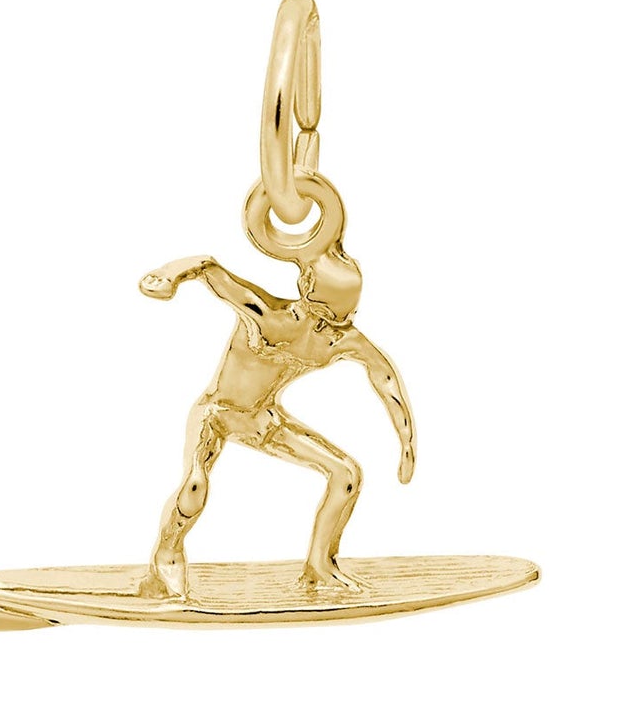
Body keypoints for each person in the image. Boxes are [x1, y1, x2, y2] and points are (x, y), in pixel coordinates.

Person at [135, 244, 415, 598]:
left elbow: (383, 374)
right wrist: (167, 275)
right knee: (195, 485)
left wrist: (406, 440)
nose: (329, 331)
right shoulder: (266, 315)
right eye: (323, 318)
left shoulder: (337, 337)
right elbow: (208, 267)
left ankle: (319, 566)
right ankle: (166, 556)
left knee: (346, 474)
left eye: (342, 320)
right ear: (307, 295)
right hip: (217, 413)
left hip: (262, 420)